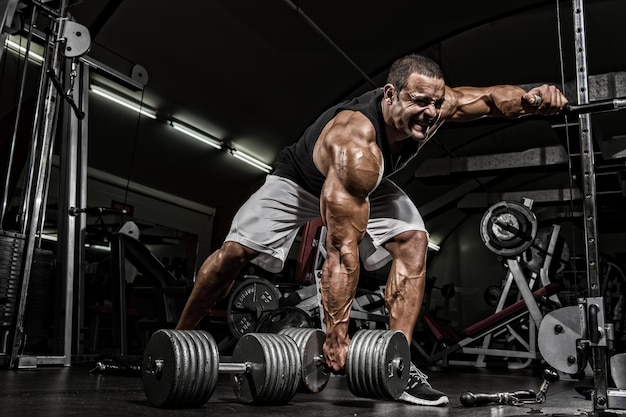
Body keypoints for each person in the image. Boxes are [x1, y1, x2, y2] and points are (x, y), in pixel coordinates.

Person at [176, 54, 568, 406]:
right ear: (390, 95)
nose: (429, 113)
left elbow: (487, 100)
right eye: (418, 102)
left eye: (435, 103)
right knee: (233, 254)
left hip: (365, 186)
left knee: (414, 240)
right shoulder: (356, 145)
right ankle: (179, 341)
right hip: (298, 183)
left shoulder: (434, 105)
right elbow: (343, 252)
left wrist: (534, 100)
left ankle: (401, 363)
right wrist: (335, 333)